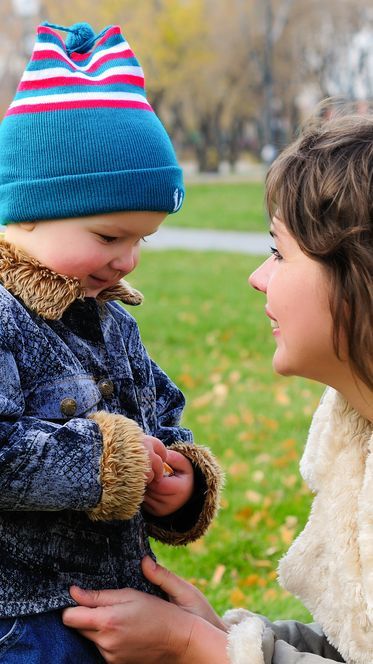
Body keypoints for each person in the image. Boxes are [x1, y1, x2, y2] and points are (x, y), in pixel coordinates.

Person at [63, 106, 373, 663]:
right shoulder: (355, 431)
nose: (257, 276)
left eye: (279, 252)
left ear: (358, 277)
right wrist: (224, 636)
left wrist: (194, 647)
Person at [0, 19, 222, 663]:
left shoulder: (113, 323)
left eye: (141, 240)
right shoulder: (7, 318)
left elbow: (162, 416)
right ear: (27, 212)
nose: (127, 261)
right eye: (108, 237)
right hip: (26, 623)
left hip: (122, 610)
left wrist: (178, 479)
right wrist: (107, 463)